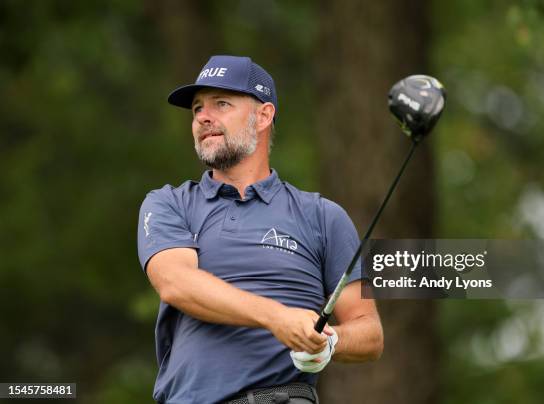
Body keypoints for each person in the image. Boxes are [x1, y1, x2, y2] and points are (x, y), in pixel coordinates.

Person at [137, 55, 384, 404]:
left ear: (263, 116)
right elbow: (176, 284)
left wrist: (328, 343)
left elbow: (369, 332)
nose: (203, 117)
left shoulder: (322, 216)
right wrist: (277, 318)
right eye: (196, 109)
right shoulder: (169, 203)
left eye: (221, 104)